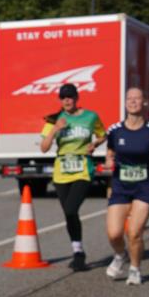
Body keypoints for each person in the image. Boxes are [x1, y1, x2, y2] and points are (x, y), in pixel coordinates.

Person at [39, 83, 106, 271]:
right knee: (70, 214)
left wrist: (95, 144)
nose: (66, 100)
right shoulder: (54, 119)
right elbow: (43, 148)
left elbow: (103, 134)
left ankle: (78, 252)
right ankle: (78, 251)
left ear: (77, 98)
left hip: (83, 168)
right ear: (60, 100)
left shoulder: (90, 117)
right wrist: (54, 130)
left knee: (70, 209)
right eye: (63, 97)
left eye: (70, 96)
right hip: (61, 171)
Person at [104, 88, 149, 285]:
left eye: (137, 99)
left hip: (144, 186)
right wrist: (108, 160)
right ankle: (120, 255)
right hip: (121, 186)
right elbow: (110, 150)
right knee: (114, 233)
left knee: (134, 232)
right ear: (125, 103)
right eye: (129, 99)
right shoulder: (115, 130)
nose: (132, 102)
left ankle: (135, 269)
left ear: (144, 103)